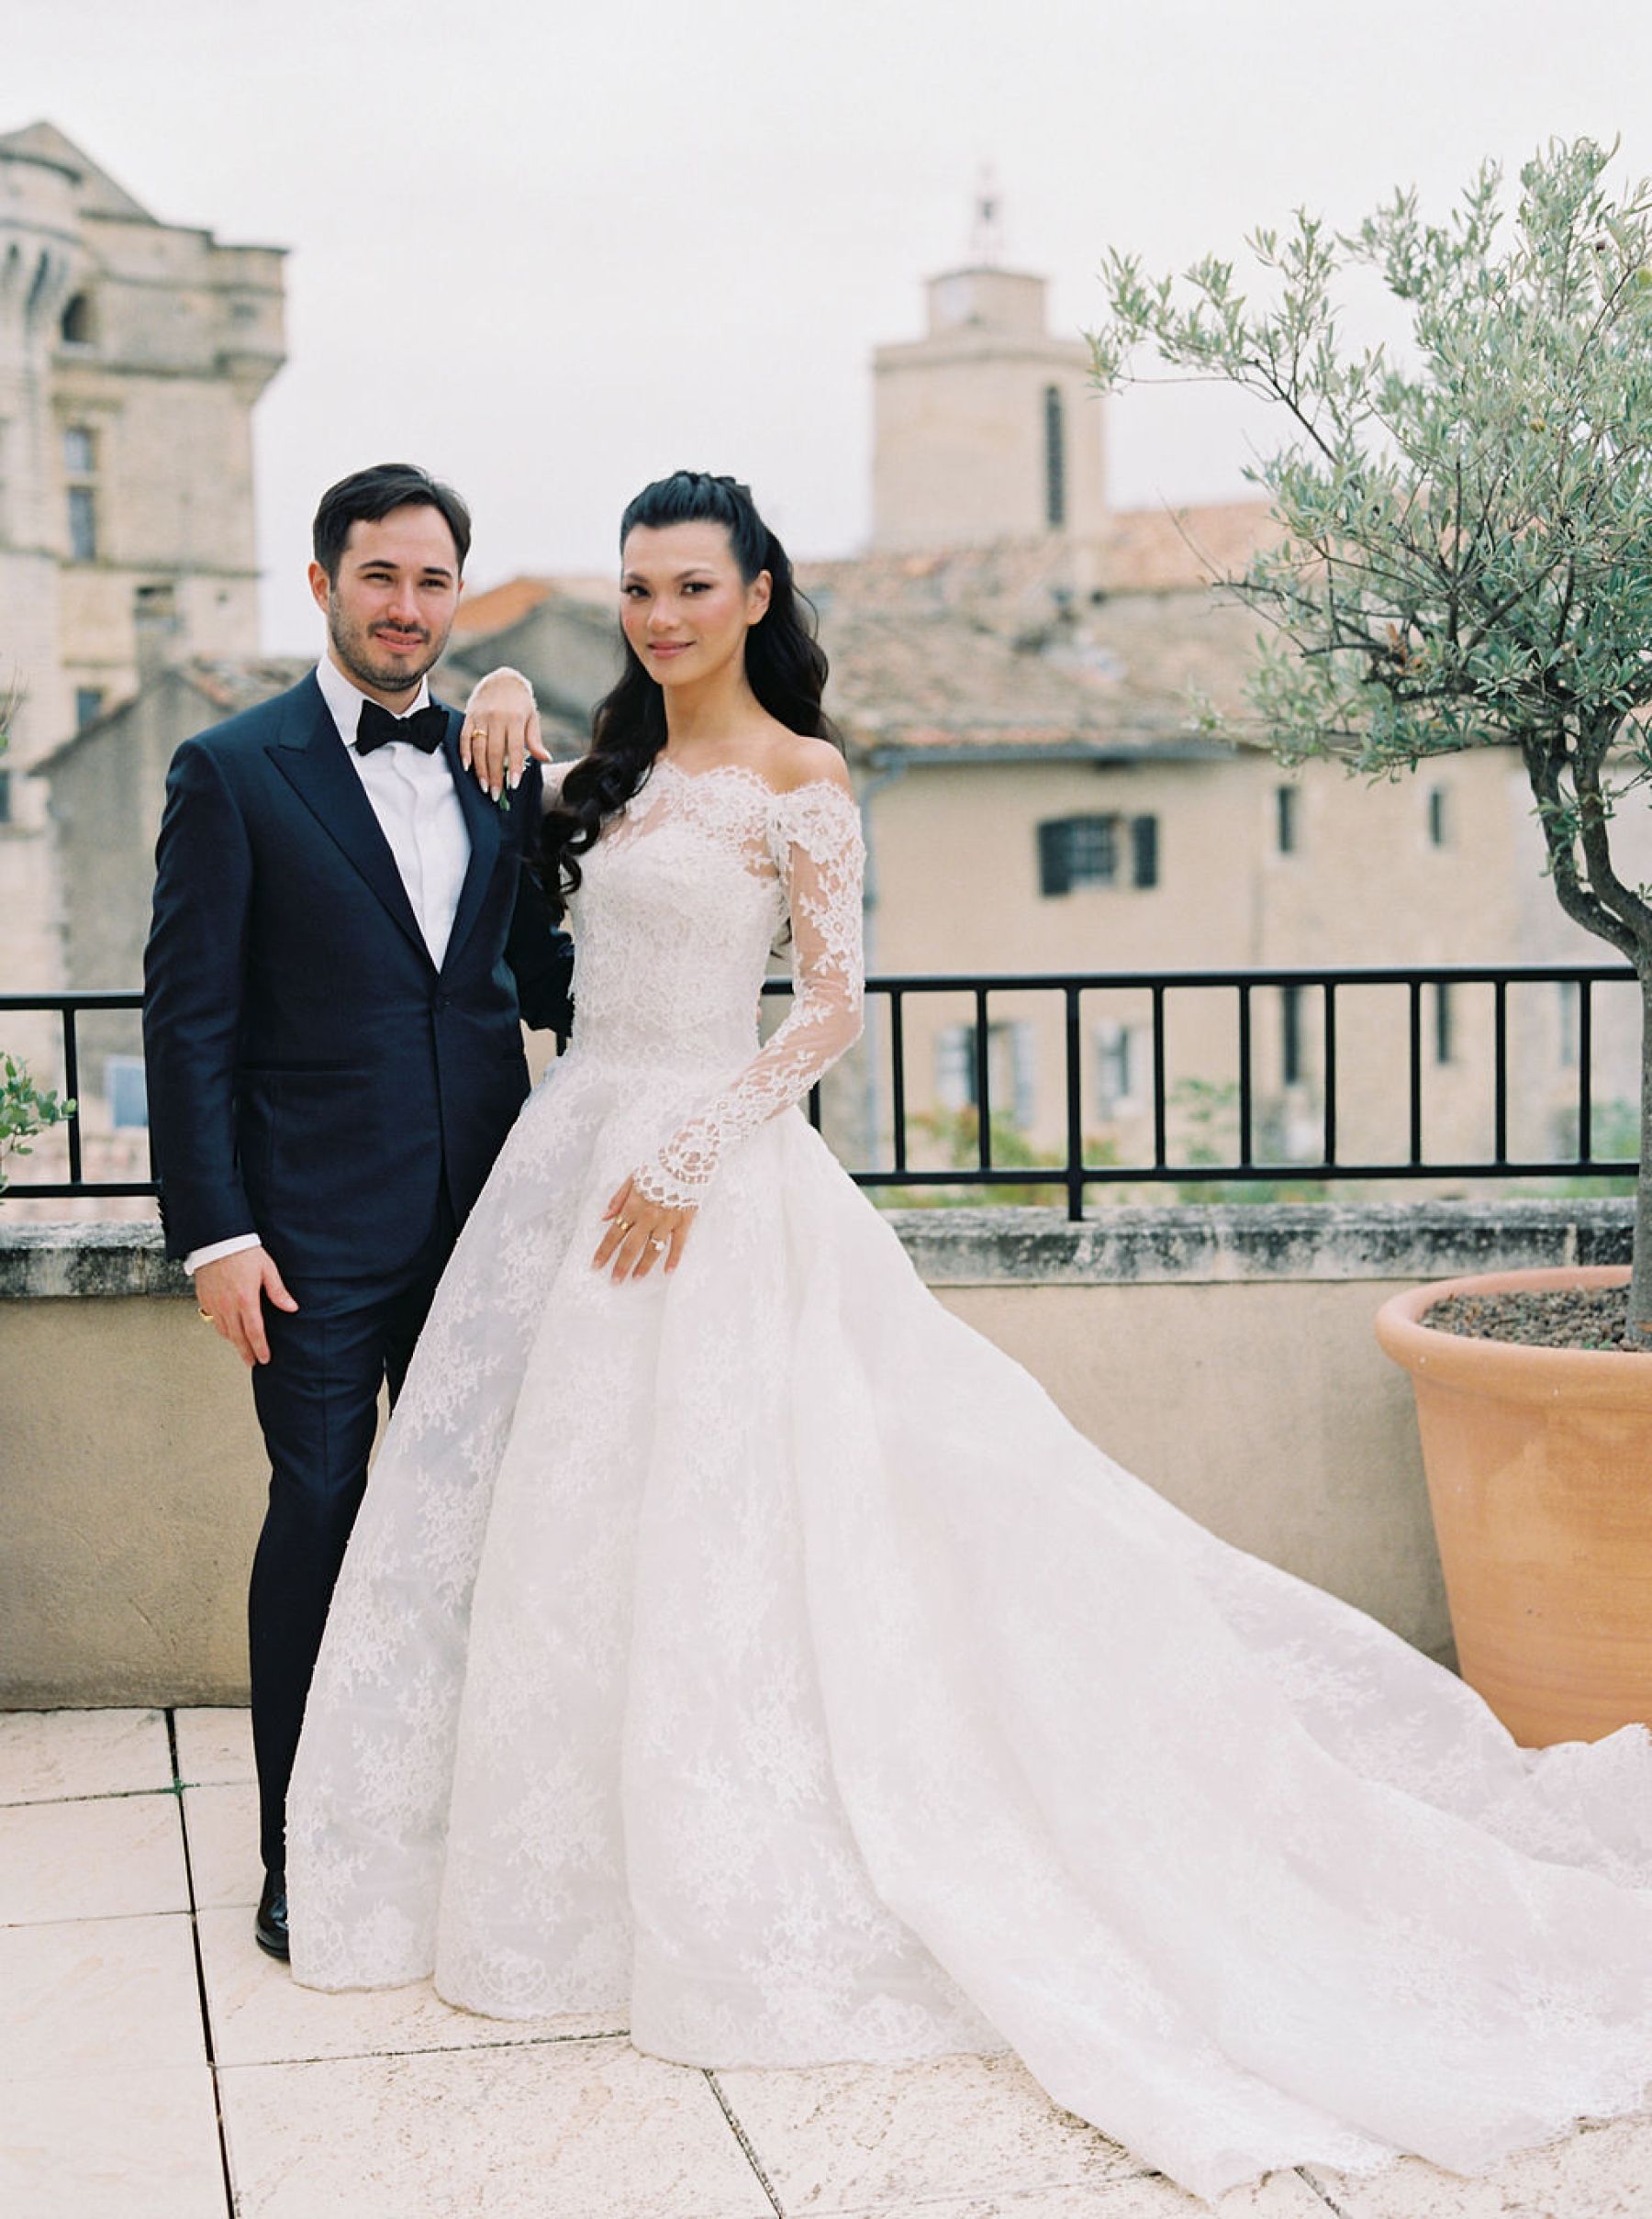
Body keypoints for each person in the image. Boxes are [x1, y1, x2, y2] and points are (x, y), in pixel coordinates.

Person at [286, 470, 1652, 2206]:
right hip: (567, 1170)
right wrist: (491, 681)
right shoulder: (603, 774)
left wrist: (698, 1152)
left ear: (761, 593)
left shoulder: (808, 782)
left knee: (755, 1535)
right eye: (638, 586)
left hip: (706, 1181)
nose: (658, 614)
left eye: (692, 586)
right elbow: (522, 835)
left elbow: (839, 1004)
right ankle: (561, 1883)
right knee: (562, 1530)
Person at [142, 463, 574, 1963]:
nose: (408, 608)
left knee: (486, 1533)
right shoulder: (231, 770)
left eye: (435, 581)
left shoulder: (494, 757)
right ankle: (296, 1850)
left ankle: (467, 1834)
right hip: (308, 1240)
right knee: (321, 1518)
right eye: (381, 577)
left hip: (490, 1225)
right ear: (322, 584)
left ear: (460, 594)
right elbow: (186, 1022)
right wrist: (216, 1232)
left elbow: (542, 973)